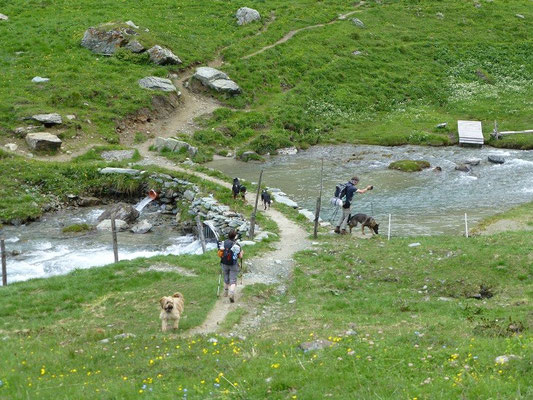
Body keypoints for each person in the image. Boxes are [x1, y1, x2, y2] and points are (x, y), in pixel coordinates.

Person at [219, 229, 243, 303]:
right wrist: (242, 252)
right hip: (233, 264)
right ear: (235, 236)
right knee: (233, 280)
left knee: (226, 277)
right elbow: (240, 256)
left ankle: (225, 292)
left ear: (228, 235)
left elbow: (220, 253)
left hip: (224, 263)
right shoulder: (237, 245)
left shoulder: (224, 242)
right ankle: (231, 293)